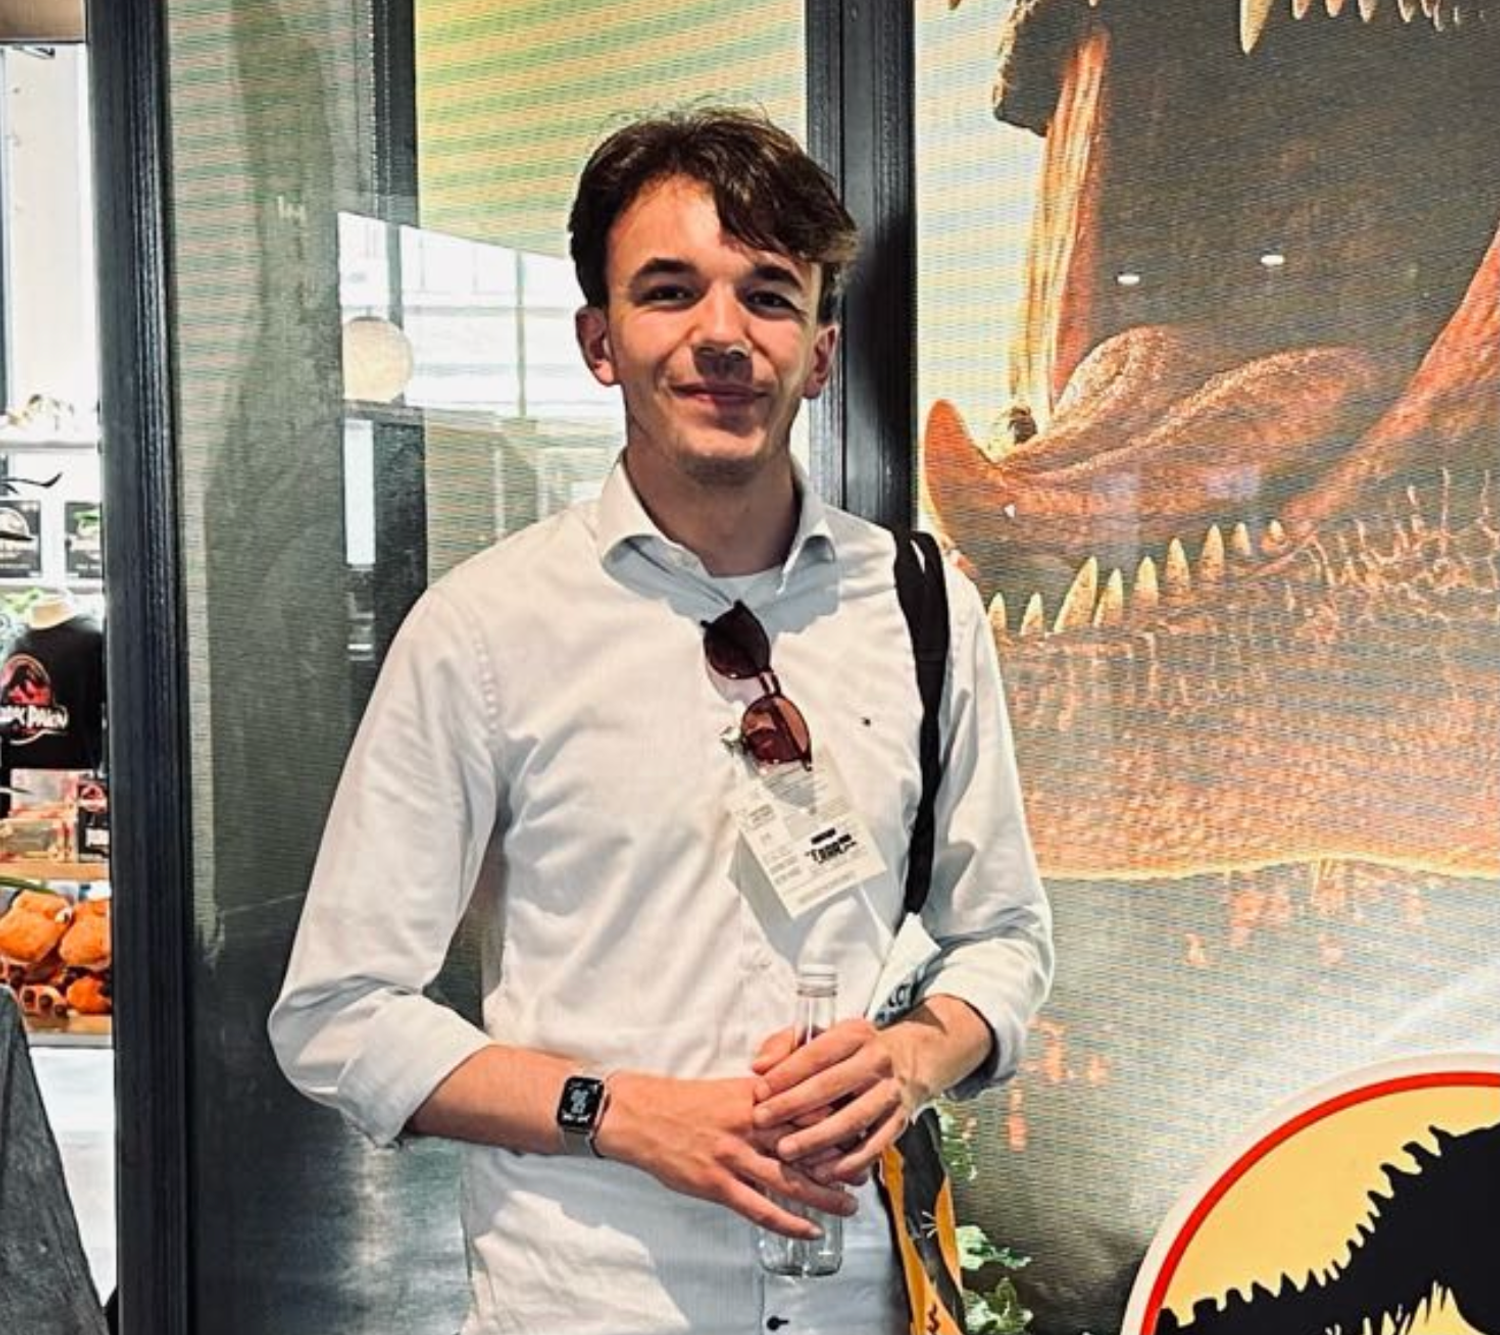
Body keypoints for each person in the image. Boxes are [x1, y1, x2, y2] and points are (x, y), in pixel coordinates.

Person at [269, 107, 1053, 1335]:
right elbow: (338, 1012)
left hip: (857, 1294)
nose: (722, 334)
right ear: (601, 340)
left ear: (821, 352)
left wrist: (911, 1059)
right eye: (670, 291)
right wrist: (622, 1112)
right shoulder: (485, 628)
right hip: (582, 1299)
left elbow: (1003, 934)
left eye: (769, 295)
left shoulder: (918, 605)